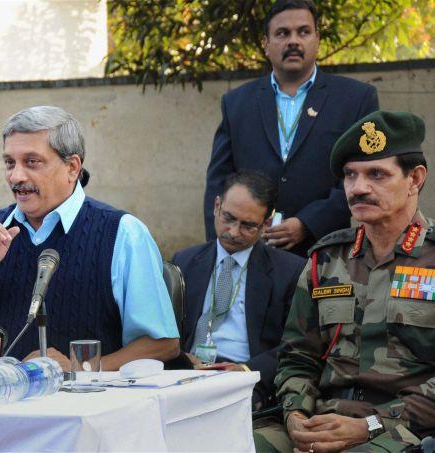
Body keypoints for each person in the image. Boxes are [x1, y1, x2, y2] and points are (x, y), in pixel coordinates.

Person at [0, 105, 180, 371]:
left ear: (72, 168)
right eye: (9, 163)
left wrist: (80, 367)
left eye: (32, 162)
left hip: (91, 405)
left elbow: (163, 344)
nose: (16, 176)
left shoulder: (122, 232)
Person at [253, 111, 435, 452]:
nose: (359, 188)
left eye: (376, 174)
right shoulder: (326, 258)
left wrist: (366, 426)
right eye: (350, 176)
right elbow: (297, 356)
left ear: (415, 179)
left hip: (403, 427)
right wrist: (296, 417)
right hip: (322, 417)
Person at [203, 0, 379, 257]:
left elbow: (366, 175)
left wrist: (307, 223)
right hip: (250, 253)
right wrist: (216, 251)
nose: (293, 41)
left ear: (317, 39)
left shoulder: (355, 99)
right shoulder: (237, 103)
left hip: (326, 251)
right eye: (282, 33)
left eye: (303, 32)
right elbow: (218, 181)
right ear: (266, 43)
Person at [174, 170, 305, 410]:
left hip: (247, 381)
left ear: (266, 223)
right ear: (216, 206)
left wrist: (246, 371)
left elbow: (297, 346)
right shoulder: (184, 262)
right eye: (228, 218)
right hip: (187, 376)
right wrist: (180, 359)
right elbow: (165, 331)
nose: (233, 232)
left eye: (248, 226)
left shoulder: (289, 271)